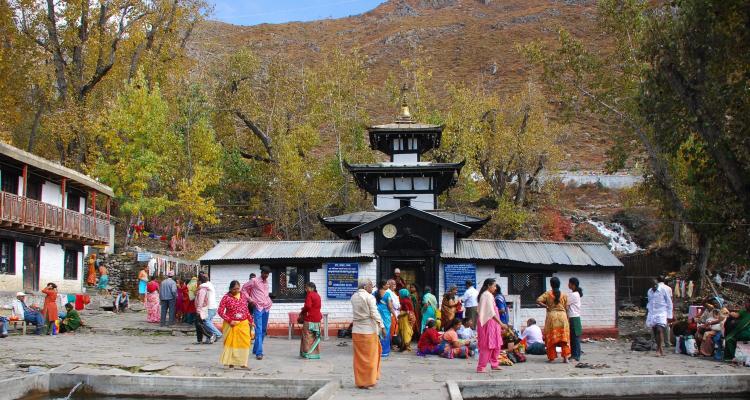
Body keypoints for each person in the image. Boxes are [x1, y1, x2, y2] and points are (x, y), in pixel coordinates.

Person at [351, 278, 385, 390]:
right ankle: (369, 382)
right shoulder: (369, 297)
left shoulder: (353, 297)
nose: (372, 287)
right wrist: (382, 326)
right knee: (370, 357)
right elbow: (374, 313)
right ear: (365, 287)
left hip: (356, 331)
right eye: (371, 285)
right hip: (368, 331)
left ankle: (360, 382)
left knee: (359, 358)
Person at [218, 280, 253, 369]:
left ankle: (243, 363)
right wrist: (230, 321)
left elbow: (246, 310)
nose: (236, 291)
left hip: (243, 323)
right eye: (234, 289)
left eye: (238, 288)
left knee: (245, 343)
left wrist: (251, 321)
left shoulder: (243, 296)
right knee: (232, 344)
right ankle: (231, 362)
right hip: (231, 324)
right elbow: (220, 311)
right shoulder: (226, 297)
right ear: (230, 289)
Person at [537, 277, 571, 363]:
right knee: (564, 339)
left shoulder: (548, 294)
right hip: (562, 317)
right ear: (559, 284)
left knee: (551, 338)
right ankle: (565, 358)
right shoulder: (564, 295)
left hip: (552, 317)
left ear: (551, 285)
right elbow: (567, 308)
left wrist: (546, 306)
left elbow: (538, 300)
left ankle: (551, 358)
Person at [244, 266, 273, 360]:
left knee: (264, 330)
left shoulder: (266, 282)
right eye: (265, 273)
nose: (266, 275)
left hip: (266, 308)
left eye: (267, 274)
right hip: (258, 308)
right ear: (261, 273)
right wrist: (250, 300)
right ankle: (259, 353)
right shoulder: (254, 281)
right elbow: (243, 289)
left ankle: (256, 349)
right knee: (259, 330)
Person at [476, 278, 503, 372]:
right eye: (494, 286)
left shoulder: (489, 295)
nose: (495, 288)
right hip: (489, 323)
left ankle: (494, 364)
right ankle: (481, 367)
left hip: (493, 323)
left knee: (496, 344)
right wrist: (501, 323)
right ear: (488, 285)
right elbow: (490, 313)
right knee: (488, 345)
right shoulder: (486, 295)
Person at [646, 277, 672, 356]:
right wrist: (647, 313)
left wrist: (669, 315)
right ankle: (660, 348)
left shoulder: (663, 290)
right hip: (652, 313)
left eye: (655, 284)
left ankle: (658, 350)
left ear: (657, 283)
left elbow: (669, 302)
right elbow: (649, 302)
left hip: (662, 312)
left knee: (659, 330)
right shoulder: (649, 292)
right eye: (652, 285)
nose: (654, 286)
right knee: (654, 331)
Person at [299, 282, 323, 359]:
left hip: (309, 319)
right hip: (317, 320)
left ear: (311, 288)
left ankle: (307, 354)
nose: (306, 290)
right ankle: (315, 354)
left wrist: (302, 311)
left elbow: (308, 306)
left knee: (307, 337)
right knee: (315, 337)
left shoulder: (310, 295)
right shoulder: (318, 296)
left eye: (306, 288)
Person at [374, 281, 394, 357]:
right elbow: (390, 306)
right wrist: (394, 315)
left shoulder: (375, 293)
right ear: (383, 285)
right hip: (385, 314)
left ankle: (377, 350)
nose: (388, 285)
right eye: (387, 284)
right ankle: (384, 351)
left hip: (377, 312)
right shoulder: (387, 294)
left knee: (378, 330)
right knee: (386, 330)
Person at [201, 272, 223, 340]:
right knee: (209, 323)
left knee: (206, 321)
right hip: (212, 307)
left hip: (210, 307)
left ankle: (218, 334)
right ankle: (209, 339)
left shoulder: (205, 285)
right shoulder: (210, 284)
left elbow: (199, 287)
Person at [194, 274, 215, 344]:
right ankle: (199, 340)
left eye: (197, 280)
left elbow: (201, 300)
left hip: (201, 309)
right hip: (201, 308)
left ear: (200, 281)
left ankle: (210, 335)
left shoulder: (202, 290)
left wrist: (198, 310)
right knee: (198, 324)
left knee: (199, 324)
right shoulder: (202, 288)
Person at [567, 277, 583, 361]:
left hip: (574, 317)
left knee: (575, 338)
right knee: (574, 337)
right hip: (575, 317)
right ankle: (575, 354)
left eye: (569, 283)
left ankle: (576, 355)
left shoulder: (574, 295)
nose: (568, 285)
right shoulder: (576, 294)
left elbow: (565, 303)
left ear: (573, 285)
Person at [657, 275, 674, 347]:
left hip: (656, 309)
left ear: (657, 280)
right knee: (666, 325)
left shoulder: (654, 288)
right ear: (664, 281)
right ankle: (667, 342)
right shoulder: (668, 288)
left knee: (655, 325)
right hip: (665, 309)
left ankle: (655, 341)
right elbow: (670, 300)